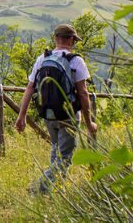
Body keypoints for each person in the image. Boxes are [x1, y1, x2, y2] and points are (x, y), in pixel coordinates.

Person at [14, 24, 98, 194]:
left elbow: (30, 88)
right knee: (65, 156)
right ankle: (39, 187)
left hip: (48, 114)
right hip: (68, 115)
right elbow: (83, 93)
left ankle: (54, 190)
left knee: (56, 148)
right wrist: (90, 123)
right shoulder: (76, 61)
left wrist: (21, 115)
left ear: (55, 39)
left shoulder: (42, 59)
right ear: (71, 40)